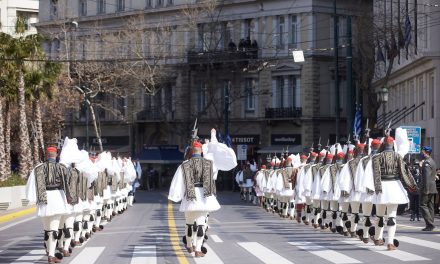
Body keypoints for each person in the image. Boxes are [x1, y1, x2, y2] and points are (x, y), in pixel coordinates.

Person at [168, 128, 237, 258]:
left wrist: (175, 196)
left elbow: (178, 182)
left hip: (190, 197)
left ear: (192, 151)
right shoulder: (209, 164)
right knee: (201, 224)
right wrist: (213, 138)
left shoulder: (184, 165)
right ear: (201, 152)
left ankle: (189, 244)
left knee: (189, 223)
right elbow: (214, 158)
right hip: (205, 198)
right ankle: (198, 249)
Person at [369, 136, 418, 250]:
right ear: (392, 144)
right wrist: (412, 186)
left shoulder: (377, 157)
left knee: (379, 215)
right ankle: (390, 243)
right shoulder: (398, 156)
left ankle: (378, 238)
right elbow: (404, 172)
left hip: (381, 186)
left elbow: (375, 174)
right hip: (394, 187)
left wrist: (377, 189)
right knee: (392, 217)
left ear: (383, 144)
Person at [26, 146, 70, 264]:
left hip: (44, 199)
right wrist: (70, 198)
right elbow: (68, 185)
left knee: (46, 229)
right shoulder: (62, 167)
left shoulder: (38, 168)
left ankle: (48, 250)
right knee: (54, 229)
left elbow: (30, 185)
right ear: (56, 155)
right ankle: (51, 256)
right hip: (57, 198)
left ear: (46, 155)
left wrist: (35, 199)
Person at [419, 146, 437, 231]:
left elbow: (426, 177)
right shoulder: (432, 161)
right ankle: (430, 225)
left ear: (426, 152)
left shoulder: (426, 163)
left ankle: (430, 224)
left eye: (422, 151)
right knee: (430, 206)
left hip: (427, 187)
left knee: (423, 205)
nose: (421, 153)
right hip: (432, 187)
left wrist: (426, 190)